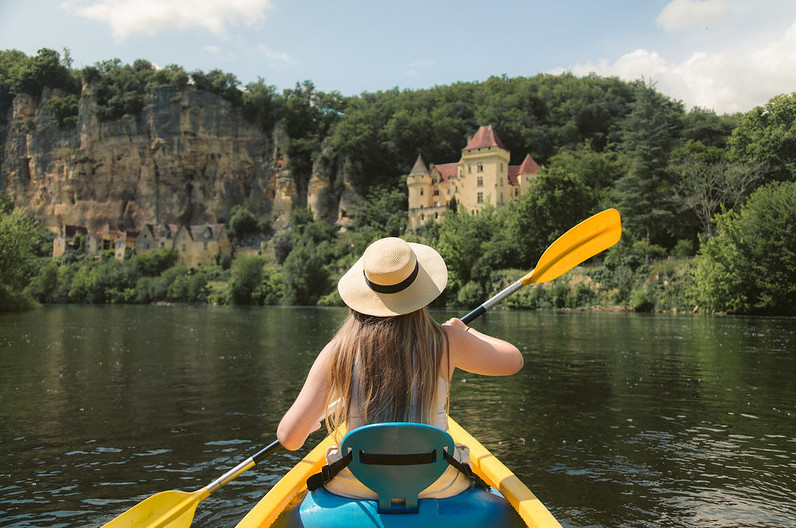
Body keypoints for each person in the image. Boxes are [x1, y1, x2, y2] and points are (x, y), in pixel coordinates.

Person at [277, 237, 523, 499]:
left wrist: (310, 425)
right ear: (419, 292)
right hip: (436, 484)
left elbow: (289, 438)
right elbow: (513, 361)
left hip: (356, 485)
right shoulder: (447, 341)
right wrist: (465, 332)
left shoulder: (338, 350)